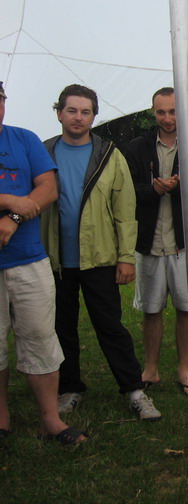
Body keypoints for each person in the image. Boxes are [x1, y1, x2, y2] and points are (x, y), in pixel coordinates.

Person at [41, 84, 161, 421]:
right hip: (55, 260)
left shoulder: (110, 155)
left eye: (86, 112)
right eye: (72, 110)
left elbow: (125, 211)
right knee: (62, 327)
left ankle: (135, 390)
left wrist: (126, 257)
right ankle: (70, 388)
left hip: (100, 258)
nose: (78, 117)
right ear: (59, 113)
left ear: (94, 116)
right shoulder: (44, 153)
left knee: (110, 327)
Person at [0, 81, 89, 446]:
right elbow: (25, 197)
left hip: (28, 259)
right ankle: (1, 419)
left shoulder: (24, 139)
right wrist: (9, 199)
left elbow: (48, 188)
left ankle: (51, 420)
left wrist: (14, 218)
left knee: (40, 337)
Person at [124, 87, 188, 395]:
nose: (167, 118)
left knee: (186, 308)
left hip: (183, 241)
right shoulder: (138, 146)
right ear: (153, 112)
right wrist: (154, 189)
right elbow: (128, 190)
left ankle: (184, 368)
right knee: (151, 309)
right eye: (161, 112)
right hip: (149, 240)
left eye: (173, 111)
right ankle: (151, 368)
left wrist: (178, 187)